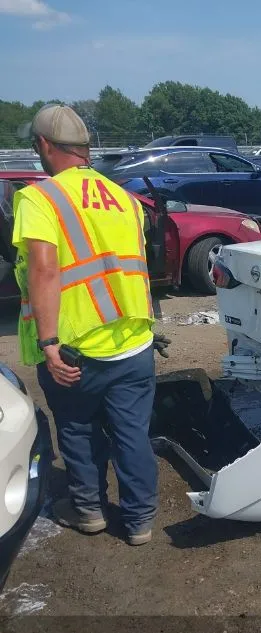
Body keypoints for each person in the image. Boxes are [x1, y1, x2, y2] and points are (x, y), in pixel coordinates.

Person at [13, 104, 162, 546]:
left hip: (76, 348)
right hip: (135, 342)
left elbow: (43, 271)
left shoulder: (40, 199)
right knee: (132, 434)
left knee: (78, 431)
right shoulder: (126, 200)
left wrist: (49, 343)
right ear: (85, 148)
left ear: (43, 145)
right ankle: (139, 522)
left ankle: (91, 512)